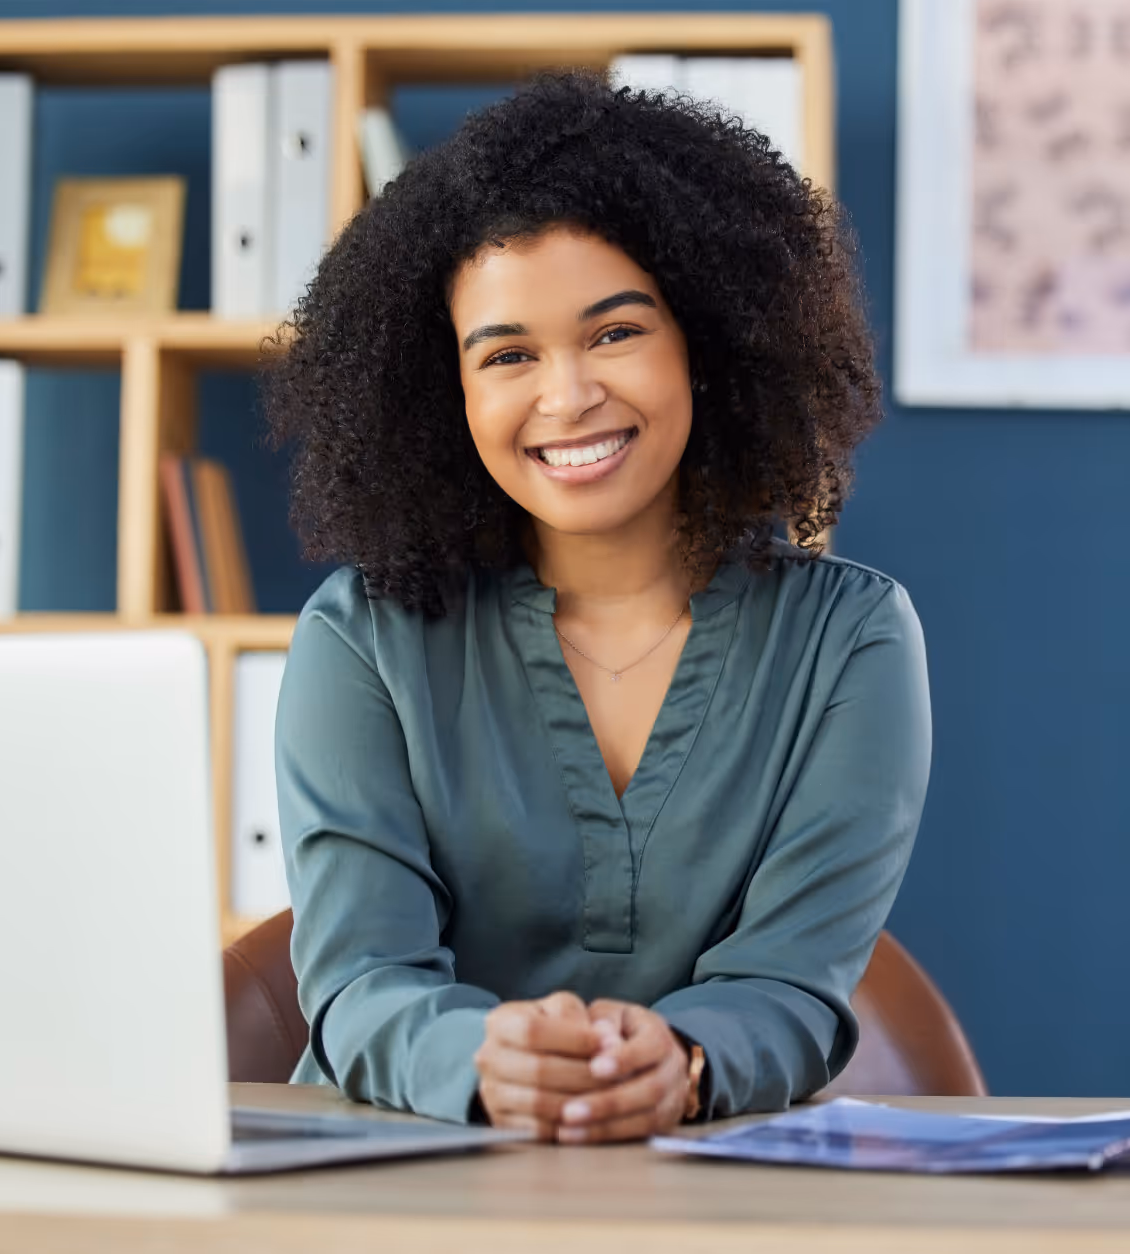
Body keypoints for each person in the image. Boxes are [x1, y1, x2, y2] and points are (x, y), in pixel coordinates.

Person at [260, 70, 929, 1145]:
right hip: (394, 1192)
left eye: (614, 333)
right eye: (509, 355)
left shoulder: (851, 641)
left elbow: (796, 982)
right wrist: (484, 1062)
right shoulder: (362, 637)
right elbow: (358, 979)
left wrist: (685, 1060)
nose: (566, 396)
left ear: (704, 346)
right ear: (451, 394)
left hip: (702, 1196)